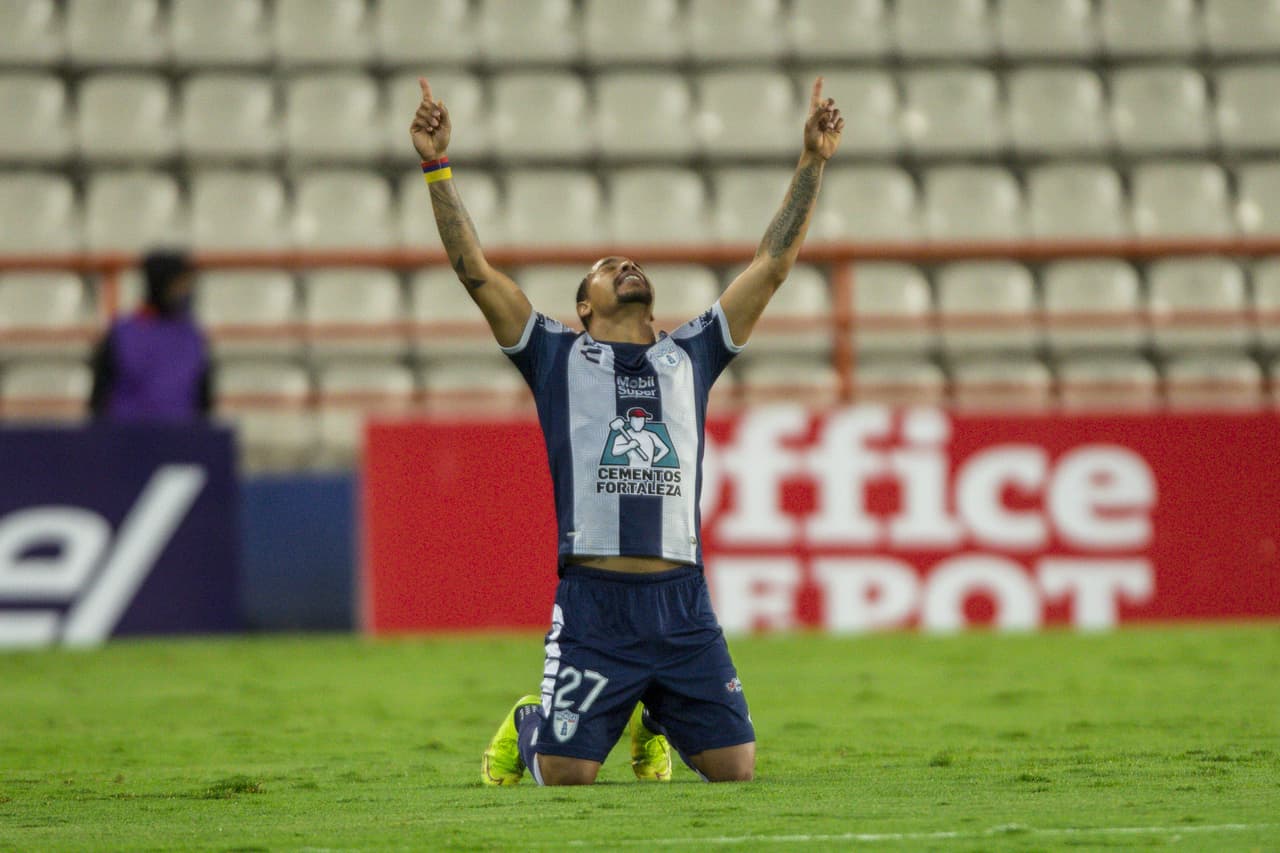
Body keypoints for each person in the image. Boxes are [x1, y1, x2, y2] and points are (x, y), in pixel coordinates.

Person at [411, 75, 843, 785]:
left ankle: (650, 713)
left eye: (630, 263)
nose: (625, 265)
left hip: (682, 600)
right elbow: (474, 271)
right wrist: (436, 165)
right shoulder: (554, 354)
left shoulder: (692, 353)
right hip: (596, 603)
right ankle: (533, 720)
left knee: (734, 769)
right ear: (583, 306)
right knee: (564, 777)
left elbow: (772, 264)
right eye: (608, 269)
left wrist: (813, 161)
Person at [89, 249, 211, 422]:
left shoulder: (193, 336)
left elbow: (204, 404)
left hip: (180, 442)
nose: (187, 291)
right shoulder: (120, 333)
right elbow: (98, 400)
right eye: (181, 284)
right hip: (126, 441)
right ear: (161, 284)